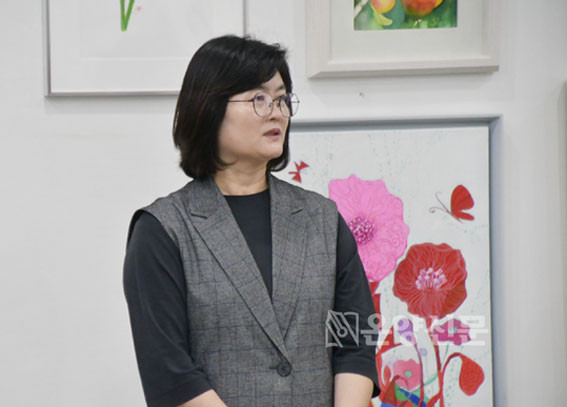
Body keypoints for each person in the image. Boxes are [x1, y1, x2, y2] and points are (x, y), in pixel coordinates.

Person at [122, 35, 380, 407]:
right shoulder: (162, 230)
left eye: (282, 99)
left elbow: (355, 341)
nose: (277, 112)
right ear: (208, 108)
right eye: (259, 98)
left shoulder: (322, 219)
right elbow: (169, 373)